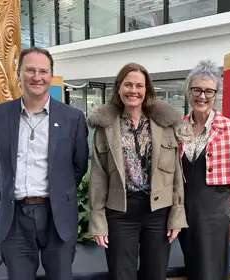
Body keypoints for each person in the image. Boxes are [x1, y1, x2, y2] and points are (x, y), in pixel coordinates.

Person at [0, 47, 89, 280]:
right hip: (14, 218)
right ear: (18, 73)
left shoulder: (73, 118)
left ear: (51, 76)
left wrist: (61, 190)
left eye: (43, 71)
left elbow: (78, 166)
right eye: (30, 70)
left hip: (57, 215)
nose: (36, 76)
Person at [87, 62, 188, 280]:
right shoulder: (106, 127)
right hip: (120, 212)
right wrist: (98, 220)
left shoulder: (164, 124)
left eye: (139, 86)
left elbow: (176, 173)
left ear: (147, 90)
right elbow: (98, 176)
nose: (134, 90)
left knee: (155, 274)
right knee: (121, 274)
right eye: (128, 85)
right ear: (119, 88)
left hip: (157, 210)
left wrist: (177, 214)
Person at [177, 59, 230, 280]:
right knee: (193, 269)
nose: (202, 96)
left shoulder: (229, 129)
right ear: (189, 92)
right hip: (186, 211)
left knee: (212, 273)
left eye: (209, 91)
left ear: (216, 94)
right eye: (197, 90)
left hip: (215, 214)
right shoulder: (179, 126)